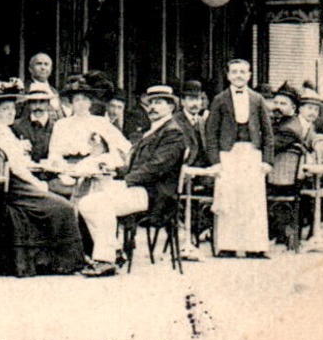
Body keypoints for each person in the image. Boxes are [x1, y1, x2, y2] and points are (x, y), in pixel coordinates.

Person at [0, 80, 85, 277]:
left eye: (12, 109)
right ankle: (64, 263)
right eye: (5, 109)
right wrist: (39, 184)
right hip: (16, 188)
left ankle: (48, 260)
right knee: (64, 207)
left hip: (11, 185)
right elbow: (17, 169)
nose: (11, 113)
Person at [78, 85, 187, 276]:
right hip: (140, 189)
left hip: (156, 195)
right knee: (87, 203)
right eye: (150, 103)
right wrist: (114, 170)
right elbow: (136, 165)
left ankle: (105, 260)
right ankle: (115, 249)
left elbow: (156, 167)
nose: (152, 107)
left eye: (158, 103)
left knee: (102, 203)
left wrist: (125, 181)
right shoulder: (152, 130)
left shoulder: (173, 132)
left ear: (171, 107)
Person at [206, 58, 274, 258]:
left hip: (252, 154)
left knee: (253, 200)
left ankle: (255, 247)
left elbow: (267, 132)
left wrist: (267, 160)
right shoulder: (219, 99)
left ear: (249, 75)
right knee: (229, 199)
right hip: (228, 154)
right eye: (234, 72)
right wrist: (215, 162)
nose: (238, 75)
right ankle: (227, 246)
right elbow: (211, 133)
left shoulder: (257, 99)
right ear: (228, 76)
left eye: (243, 72)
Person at [47, 80, 131, 188]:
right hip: (67, 170)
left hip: (93, 168)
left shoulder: (100, 122)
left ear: (90, 103)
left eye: (85, 99)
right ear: (71, 103)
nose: (81, 103)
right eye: (77, 100)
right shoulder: (61, 124)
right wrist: (62, 166)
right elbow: (54, 152)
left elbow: (123, 145)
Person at [13, 84, 55, 163]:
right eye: (34, 102)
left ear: (48, 104)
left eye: (42, 102)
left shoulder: (57, 127)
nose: (37, 106)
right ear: (28, 104)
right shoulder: (17, 126)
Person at [174, 80, 208, 166]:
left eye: (198, 99)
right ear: (183, 102)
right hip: (183, 168)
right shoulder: (175, 121)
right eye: (191, 99)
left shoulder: (203, 121)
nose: (195, 104)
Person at [24, 53, 64, 121]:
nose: (43, 68)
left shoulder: (54, 91)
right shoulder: (23, 90)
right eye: (39, 64)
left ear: (51, 69)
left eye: (46, 64)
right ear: (30, 69)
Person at [271, 83, 308, 153]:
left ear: (293, 108)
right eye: (275, 102)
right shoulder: (281, 122)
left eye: (283, 104)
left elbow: (268, 146)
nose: (277, 106)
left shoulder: (289, 130)